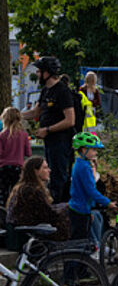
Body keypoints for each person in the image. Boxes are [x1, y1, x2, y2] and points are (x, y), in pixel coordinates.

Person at [21, 57, 75, 204]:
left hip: (60, 142)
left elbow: (70, 120)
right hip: (50, 142)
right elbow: (36, 112)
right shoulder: (45, 90)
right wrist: (15, 115)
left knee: (58, 177)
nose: (37, 74)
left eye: (39, 71)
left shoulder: (63, 91)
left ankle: (59, 209)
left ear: (48, 72)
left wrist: (48, 129)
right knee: (50, 176)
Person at [6, 156, 69, 241]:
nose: (49, 170)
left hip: (19, 229)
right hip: (25, 232)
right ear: (36, 171)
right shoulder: (31, 190)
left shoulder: (24, 187)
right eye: (45, 168)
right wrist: (68, 207)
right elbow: (48, 213)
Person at [67, 132, 115, 241]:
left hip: (79, 207)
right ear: (84, 150)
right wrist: (108, 203)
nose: (96, 152)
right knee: (81, 240)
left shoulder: (79, 164)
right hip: (80, 209)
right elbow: (91, 191)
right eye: (93, 149)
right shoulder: (84, 167)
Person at [0, 107, 32, 206]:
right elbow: (29, 153)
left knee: (3, 191)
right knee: (16, 193)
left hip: (3, 167)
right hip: (18, 167)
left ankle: (2, 211)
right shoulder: (24, 135)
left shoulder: (2, 135)